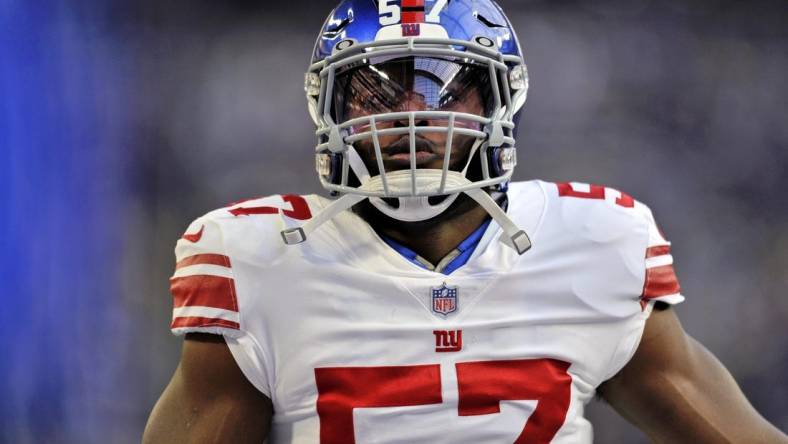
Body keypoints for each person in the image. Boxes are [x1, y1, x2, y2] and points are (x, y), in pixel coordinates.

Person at [143, 1, 787, 442]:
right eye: (377, 91)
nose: (413, 114)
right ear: (330, 111)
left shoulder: (595, 243)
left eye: (446, 86)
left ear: (501, 102)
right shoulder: (259, 262)